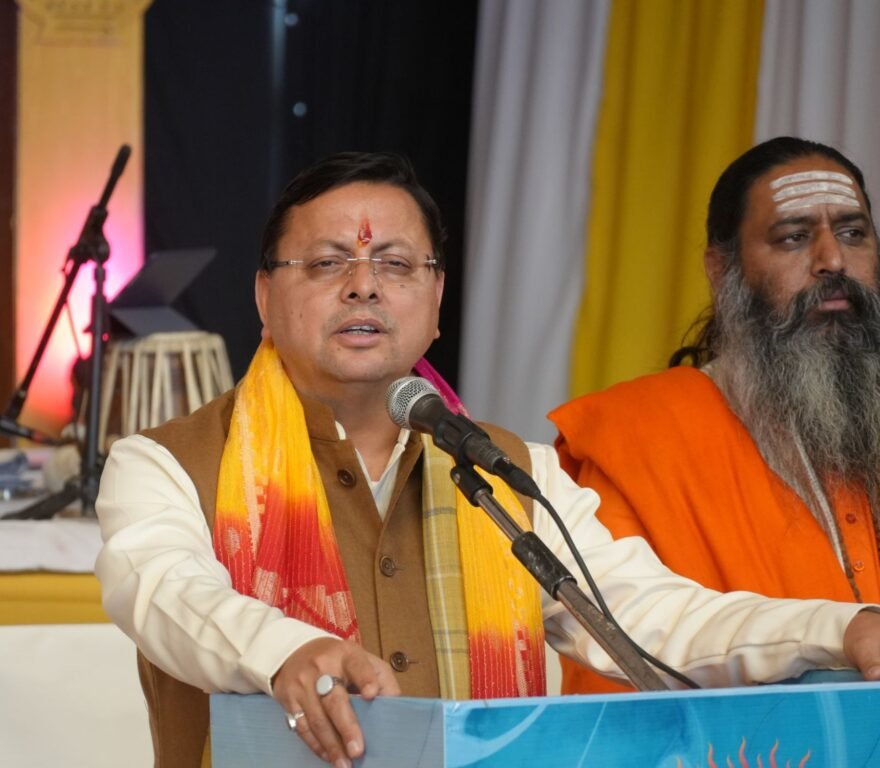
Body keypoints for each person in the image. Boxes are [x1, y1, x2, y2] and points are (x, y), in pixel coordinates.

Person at [95, 150, 880, 768]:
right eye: (328, 263)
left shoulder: (506, 470)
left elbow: (651, 617)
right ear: (265, 296)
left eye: (396, 264)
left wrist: (843, 627)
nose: (364, 287)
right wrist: (284, 652)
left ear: (436, 301)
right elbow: (163, 592)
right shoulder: (165, 465)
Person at [550, 136, 880, 695]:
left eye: (853, 233)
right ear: (723, 269)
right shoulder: (639, 437)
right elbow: (620, 671)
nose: (832, 259)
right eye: (794, 237)